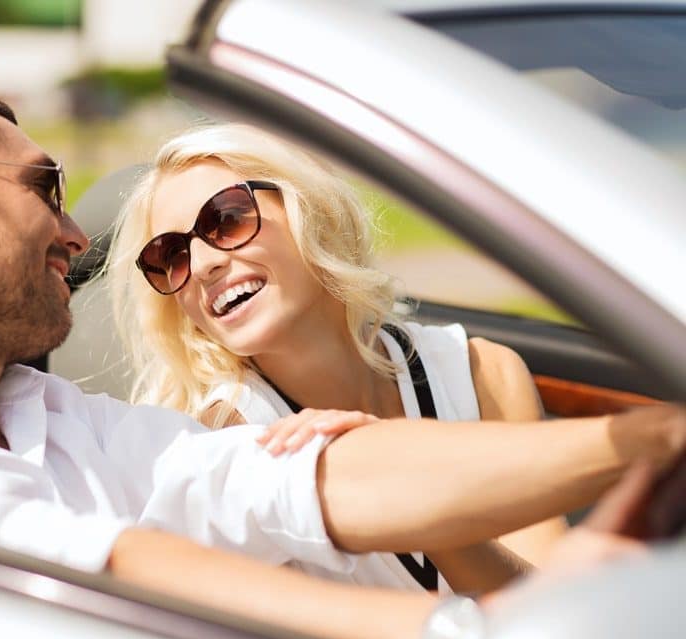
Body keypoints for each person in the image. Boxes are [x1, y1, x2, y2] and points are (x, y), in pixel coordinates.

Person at [0, 72, 684, 639]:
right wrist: (466, 634)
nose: (74, 234)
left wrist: (645, 436)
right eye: (45, 186)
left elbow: (301, 479)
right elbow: (83, 559)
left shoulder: (65, 419)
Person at [103, 122, 585, 589]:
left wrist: (412, 496)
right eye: (172, 256)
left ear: (309, 209)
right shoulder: (229, 449)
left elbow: (552, 608)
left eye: (226, 220)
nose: (203, 264)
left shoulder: (485, 376)